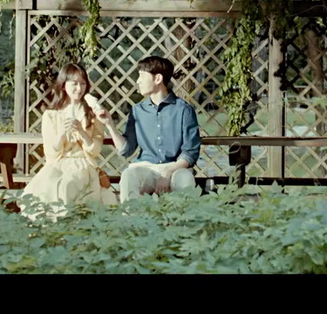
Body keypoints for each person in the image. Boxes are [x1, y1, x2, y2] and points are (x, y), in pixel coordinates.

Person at [19, 63, 123, 219]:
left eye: (82, 83)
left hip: (83, 163)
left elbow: (94, 151)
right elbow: (51, 153)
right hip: (57, 163)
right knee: (37, 190)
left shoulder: (93, 114)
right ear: (63, 86)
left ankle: (65, 228)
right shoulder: (51, 115)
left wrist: (81, 131)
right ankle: (45, 232)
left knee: (66, 186)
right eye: (74, 83)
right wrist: (62, 133)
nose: (79, 89)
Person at [117, 55, 201, 201]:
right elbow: (126, 150)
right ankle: (130, 221)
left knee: (185, 180)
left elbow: (190, 152)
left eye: (142, 76)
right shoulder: (137, 111)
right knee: (128, 176)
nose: (138, 81)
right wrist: (109, 124)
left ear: (157, 79)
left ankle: (185, 223)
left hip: (176, 168)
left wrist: (167, 172)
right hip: (146, 168)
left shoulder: (184, 110)